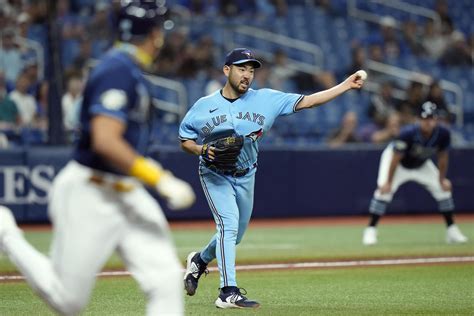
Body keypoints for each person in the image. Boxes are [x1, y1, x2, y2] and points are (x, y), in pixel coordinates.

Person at [0, 1, 195, 315]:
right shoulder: (117, 68)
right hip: (90, 191)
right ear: (154, 35)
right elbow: (105, 140)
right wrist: (157, 177)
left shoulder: (128, 68)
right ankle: (6, 234)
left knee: (165, 280)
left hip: (126, 191)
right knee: (68, 301)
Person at [179, 48, 364, 309]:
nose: (247, 75)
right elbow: (184, 139)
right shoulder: (203, 105)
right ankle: (227, 292)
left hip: (246, 174)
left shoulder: (267, 99)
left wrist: (345, 85)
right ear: (226, 70)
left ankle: (199, 261)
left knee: (235, 234)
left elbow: (309, 101)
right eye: (242, 68)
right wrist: (200, 150)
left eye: (252, 70)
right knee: (228, 226)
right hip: (214, 173)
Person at [362, 101, 468, 246]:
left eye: (431, 118)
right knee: (383, 192)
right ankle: (370, 229)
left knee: (443, 189)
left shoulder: (443, 133)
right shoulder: (408, 133)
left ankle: (452, 230)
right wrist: (388, 181)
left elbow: (443, 157)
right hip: (398, 164)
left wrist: (442, 179)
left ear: (436, 119)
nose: (428, 122)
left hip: (421, 164)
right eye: (425, 118)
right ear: (418, 119)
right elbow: (395, 158)